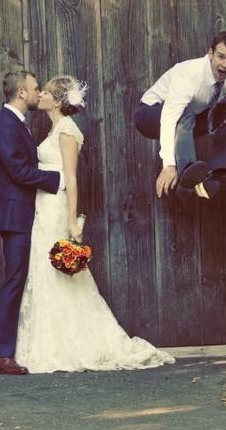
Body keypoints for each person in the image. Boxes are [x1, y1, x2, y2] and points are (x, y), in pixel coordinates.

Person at [14, 75, 175, 373]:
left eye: (46, 93)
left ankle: (71, 344)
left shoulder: (67, 131)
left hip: (57, 208)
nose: (42, 97)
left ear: (58, 101)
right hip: (43, 206)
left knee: (57, 272)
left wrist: (73, 220)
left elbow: (72, 178)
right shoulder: (55, 129)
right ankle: (50, 341)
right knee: (43, 270)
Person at [0, 71, 62, 375]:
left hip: (26, 213)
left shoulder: (16, 124)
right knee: (14, 279)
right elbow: (19, 173)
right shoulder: (4, 126)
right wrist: (59, 180)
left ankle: (12, 350)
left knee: (20, 279)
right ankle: (1, 355)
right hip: (15, 215)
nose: (38, 93)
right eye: (34, 88)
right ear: (21, 92)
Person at [134, 31, 226, 201]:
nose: (225, 64)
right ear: (210, 54)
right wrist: (169, 164)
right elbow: (169, 117)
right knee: (184, 113)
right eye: (220, 57)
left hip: (190, 120)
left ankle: (210, 177)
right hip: (150, 115)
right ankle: (187, 171)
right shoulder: (190, 73)